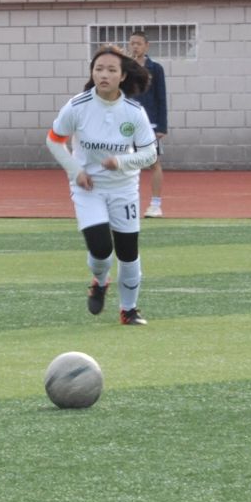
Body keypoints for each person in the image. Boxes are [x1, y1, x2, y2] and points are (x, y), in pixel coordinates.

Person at [46, 45, 158, 325]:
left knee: (128, 252)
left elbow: (150, 154)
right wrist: (76, 171)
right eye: (98, 69)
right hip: (89, 189)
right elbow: (54, 140)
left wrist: (120, 162)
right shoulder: (77, 106)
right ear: (92, 73)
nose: (104, 75)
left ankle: (129, 310)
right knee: (100, 250)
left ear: (122, 76)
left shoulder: (134, 112)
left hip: (124, 189)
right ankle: (100, 280)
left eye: (111, 70)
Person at [127, 30, 168, 218]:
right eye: (132, 43)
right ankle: (127, 203)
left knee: (154, 162)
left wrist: (162, 126)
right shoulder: (124, 68)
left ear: (146, 46)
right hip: (127, 124)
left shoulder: (155, 68)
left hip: (149, 123)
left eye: (138, 43)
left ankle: (155, 205)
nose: (135, 47)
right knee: (126, 163)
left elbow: (161, 97)